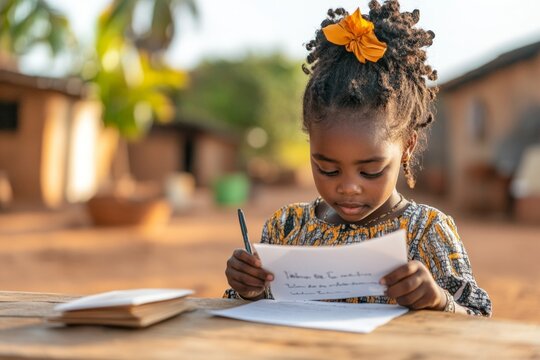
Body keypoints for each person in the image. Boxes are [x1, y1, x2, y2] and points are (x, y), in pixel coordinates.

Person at [224, 0, 491, 316]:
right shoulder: (287, 228)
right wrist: (249, 290)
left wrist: (437, 300)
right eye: (327, 169)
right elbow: (252, 311)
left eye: (371, 171)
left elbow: (478, 317)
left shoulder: (427, 231)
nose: (348, 188)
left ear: (407, 146)